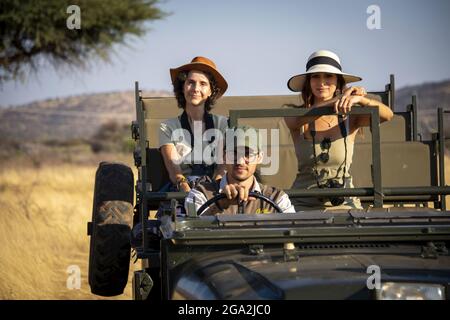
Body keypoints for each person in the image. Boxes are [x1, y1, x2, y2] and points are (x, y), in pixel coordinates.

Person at [284, 50, 394, 211]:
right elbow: (297, 120)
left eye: (328, 76)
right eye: (315, 77)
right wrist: (340, 97)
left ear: (338, 81)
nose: (321, 82)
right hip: (303, 205)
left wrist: (361, 99)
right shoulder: (295, 115)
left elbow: (387, 115)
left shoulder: (350, 117)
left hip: (346, 204)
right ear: (308, 82)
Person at [185, 126, 295, 215]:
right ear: (224, 156)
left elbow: (291, 232)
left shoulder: (276, 198)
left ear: (260, 157)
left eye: (248, 154)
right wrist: (219, 205)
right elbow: (192, 228)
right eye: (234, 153)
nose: (240, 161)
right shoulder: (201, 193)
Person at [159, 56, 229, 193]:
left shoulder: (223, 124)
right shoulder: (167, 127)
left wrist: (213, 190)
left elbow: (223, 167)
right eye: (191, 82)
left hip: (215, 190)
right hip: (181, 190)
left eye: (203, 84)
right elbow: (175, 171)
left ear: (210, 91)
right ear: (183, 87)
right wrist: (187, 191)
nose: (195, 88)